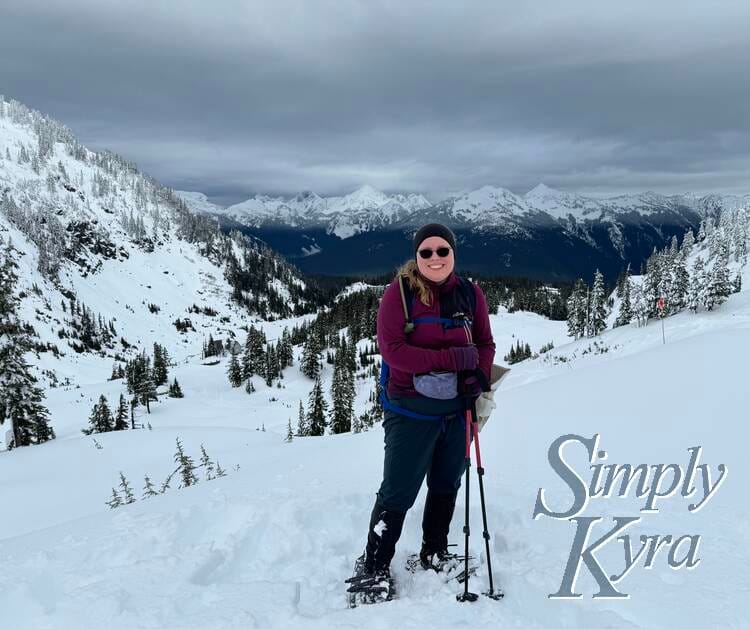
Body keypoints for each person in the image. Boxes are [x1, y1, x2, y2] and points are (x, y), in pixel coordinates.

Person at [355, 222, 496, 593]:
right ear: (417, 257)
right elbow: (394, 353)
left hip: (457, 410)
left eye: (442, 251)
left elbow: (484, 343)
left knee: (447, 482)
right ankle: (374, 564)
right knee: (399, 490)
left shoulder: (471, 294)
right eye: (427, 252)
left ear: (453, 253)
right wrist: (454, 360)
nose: (435, 258)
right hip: (409, 412)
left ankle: (434, 551)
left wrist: (476, 376)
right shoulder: (399, 294)